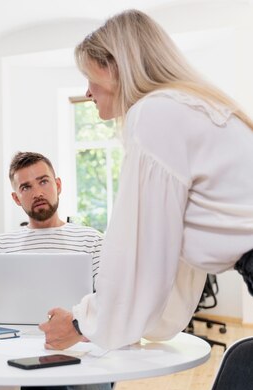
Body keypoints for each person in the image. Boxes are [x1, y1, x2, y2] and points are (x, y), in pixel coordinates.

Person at [41, 9, 253, 353]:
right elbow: (169, 249)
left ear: (114, 67)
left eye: (90, 77)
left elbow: (139, 249)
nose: (88, 91)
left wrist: (83, 321)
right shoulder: (188, 105)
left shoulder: (155, 113)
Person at [0, 152, 114, 390]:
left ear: (58, 185)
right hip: (1, 353)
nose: (37, 191)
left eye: (43, 181)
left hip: (72, 351)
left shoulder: (91, 240)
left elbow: (109, 300)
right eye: (26, 186)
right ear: (16, 197)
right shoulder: (0, 244)